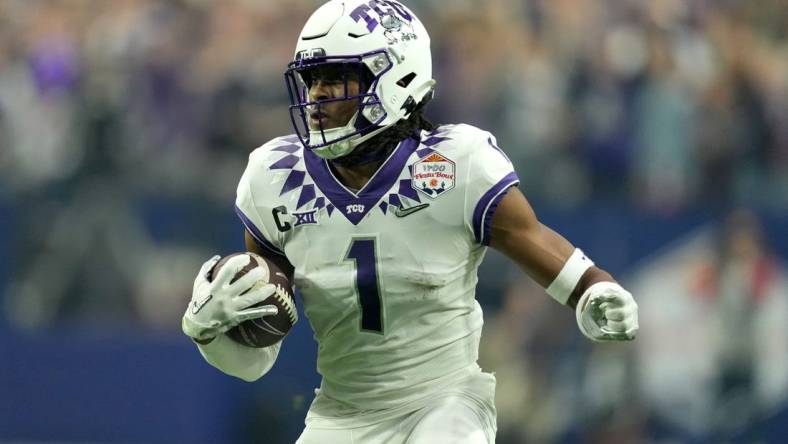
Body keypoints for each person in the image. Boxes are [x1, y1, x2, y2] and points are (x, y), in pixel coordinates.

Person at [181, 1, 639, 443]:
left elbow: (528, 236)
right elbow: (256, 358)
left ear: (395, 77)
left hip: (445, 402)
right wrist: (210, 333)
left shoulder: (455, 162)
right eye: (312, 78)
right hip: (342, 412)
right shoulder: (274, 177)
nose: (317, 94)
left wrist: (592, 288)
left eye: (337, 78)